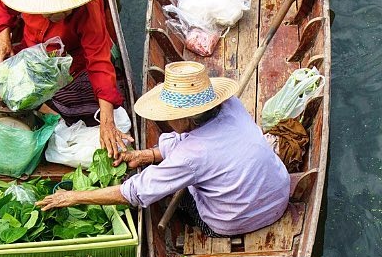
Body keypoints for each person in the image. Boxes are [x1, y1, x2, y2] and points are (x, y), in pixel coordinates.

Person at [37, 61, 291, 237]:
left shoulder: (191, 155)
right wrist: (147, 155)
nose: (167, 120)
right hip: (280, 196)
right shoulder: (231, 105)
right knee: (185, 166)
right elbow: (197, 142)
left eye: (170, 115)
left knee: (164, 194)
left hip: (232, 221)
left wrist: (71, 197)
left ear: (185, 118)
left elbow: (135, 192)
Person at [0, 0, 132, 158]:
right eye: (50, 10)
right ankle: (43, 109)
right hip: (32, 60)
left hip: (72, 68)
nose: (57, 16)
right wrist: (3, 43)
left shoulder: (88, 8)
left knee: (98, 98)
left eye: (63, 8)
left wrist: (107, 122)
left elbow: (99, 62)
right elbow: (3, 5)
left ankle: (38, 109)